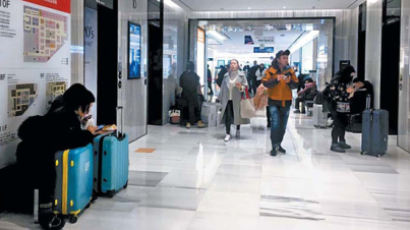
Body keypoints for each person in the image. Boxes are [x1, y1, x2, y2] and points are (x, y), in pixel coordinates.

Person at [12, 84, 100, 229]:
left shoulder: (61, 111)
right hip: (35, 156)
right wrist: (89, 134)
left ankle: (45, 210)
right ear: (79, 105)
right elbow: (70, 139)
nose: (89, 110)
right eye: (87, 107)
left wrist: (83, 126)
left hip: (30, 150)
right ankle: (45, 216)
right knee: (47, 176)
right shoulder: (66, 117)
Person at [262, 50, 298, 156]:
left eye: (287, 58)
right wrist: (276, 80)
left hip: (286, 102)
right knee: (275, 124)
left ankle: (279, 144)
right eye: (284, 58)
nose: (286, 60)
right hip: (274, 101)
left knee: (283, 126)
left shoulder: (290, 71)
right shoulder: (271, 70)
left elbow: (296, 85)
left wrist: (289, 82)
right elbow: (265, 83)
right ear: (278, 59)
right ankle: (274, 146)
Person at [323, 65, 356, 153]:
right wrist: (347, 92)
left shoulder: (345, 81)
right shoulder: (336, 81)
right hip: (335, 104)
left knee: (343, 122)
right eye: (351, 74)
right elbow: (335, 95)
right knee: (338, 123)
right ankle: (334, 143)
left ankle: (341, 141)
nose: (352, 77)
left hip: (344, 104)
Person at [218, 59, 250, 142]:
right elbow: (222, 87)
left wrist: (240, 87)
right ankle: (228, 133)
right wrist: (220, 98)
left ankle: (238, 129)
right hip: (227, 99)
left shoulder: (242, 75)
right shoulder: (226, 75)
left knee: (237, 116)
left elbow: (246, 87)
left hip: (238, 99)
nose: (232, 65)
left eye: (234, 63)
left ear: (238, 65)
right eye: (231, 63)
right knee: (228, 116)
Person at [179, 61, 205, 129]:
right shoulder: (195, 75)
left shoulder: (183, 75)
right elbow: (197, 86)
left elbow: (181, 85)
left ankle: (187, 123)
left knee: (186, 108)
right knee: (196, 108)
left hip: (185, 94)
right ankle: (198, 121)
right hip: (193, 94)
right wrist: (201, 94)